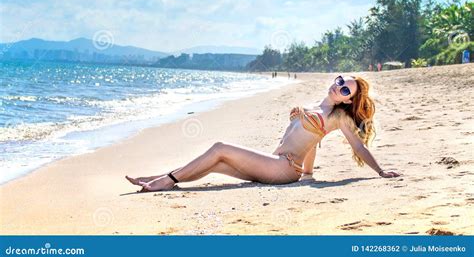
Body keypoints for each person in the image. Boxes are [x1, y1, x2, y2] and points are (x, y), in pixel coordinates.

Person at [126, 75, 400, 192]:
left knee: (220, 147)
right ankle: (162, 177)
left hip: (283, 169)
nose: (338, 87)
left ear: (347, 101)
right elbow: (312, 142)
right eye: (340, 81)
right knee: (216, 164)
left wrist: (380, 171)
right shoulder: (314, 108)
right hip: (275, 163)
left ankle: (166, 180)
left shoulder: (338, 117)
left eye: (345, 90)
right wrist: (309, 174)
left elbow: (358, 147)